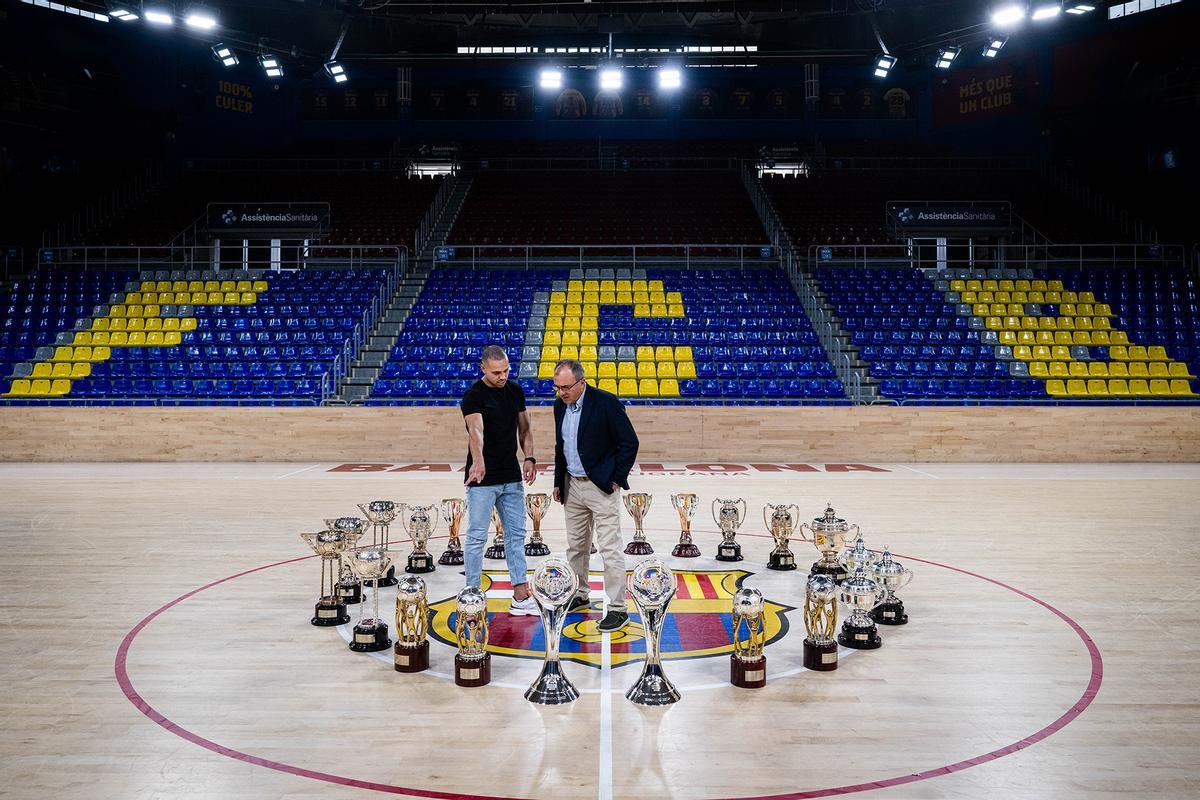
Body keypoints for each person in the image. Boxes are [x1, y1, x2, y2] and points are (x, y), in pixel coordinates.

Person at [551, 359, 640, 632]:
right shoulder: (559, 406)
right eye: (556, 387)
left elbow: (629, 443)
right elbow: (561, 445)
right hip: (572, 486)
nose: (561, 392)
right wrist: (558, 482)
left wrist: (616, 478)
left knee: (610, 548)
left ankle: (617, 608)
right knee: (576, 546)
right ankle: (579, 594)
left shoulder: (606, 403)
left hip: (600, 486)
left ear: (582, 382)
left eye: (566, 387)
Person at [460, 345, 538, 615]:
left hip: (511, 477)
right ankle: (472, 596)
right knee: (477, 538)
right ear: (483, 368)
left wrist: (529, 457)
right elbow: (476, 432)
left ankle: (520, 595)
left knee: (516, 536)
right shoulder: (473, 395)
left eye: (506, 370)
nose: (502, 376)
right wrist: (479, 462)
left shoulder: (515, 390)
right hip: (482, 479)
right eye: (496, 373)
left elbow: (525, 428)